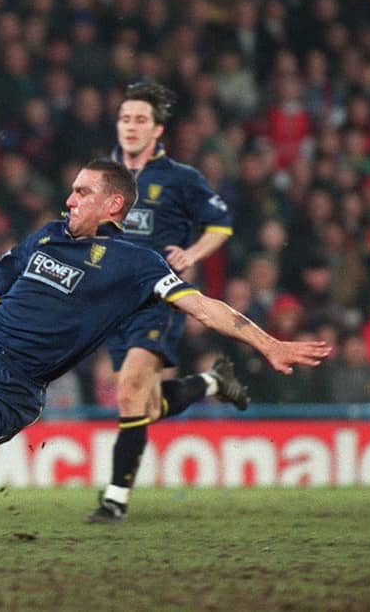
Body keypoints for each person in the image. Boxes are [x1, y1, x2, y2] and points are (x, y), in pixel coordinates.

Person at [0, 159, 330, 541]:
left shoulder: (136, 263)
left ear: (113, 205)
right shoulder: (45, 236)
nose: (68, 200)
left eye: (81, 192)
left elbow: (203, 307)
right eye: (70, 191)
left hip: (11, 389)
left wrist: (268, 343)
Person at [89, 83, 239, 523]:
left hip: (158, 299)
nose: (131, 127)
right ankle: (212, 383)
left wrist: (191, 254)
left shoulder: (180, 178)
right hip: (109, 305)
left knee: (131, 390)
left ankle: (114, 499)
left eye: (140, 120)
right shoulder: (101, 176)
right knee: (146, 405)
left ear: (157, 130)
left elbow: (220, 225)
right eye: (124, 119)